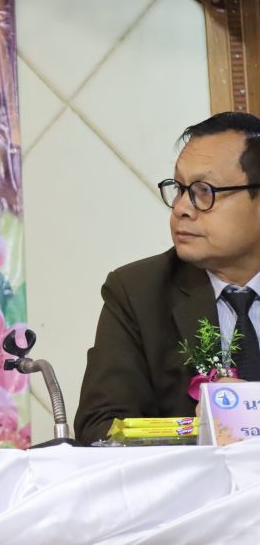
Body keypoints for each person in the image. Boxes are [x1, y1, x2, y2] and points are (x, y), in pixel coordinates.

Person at [75, 111, 260, 444]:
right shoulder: (138, 292)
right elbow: (100, 427)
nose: (181, 208)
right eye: (179, 188)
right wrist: (200, 432)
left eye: (204, 191)